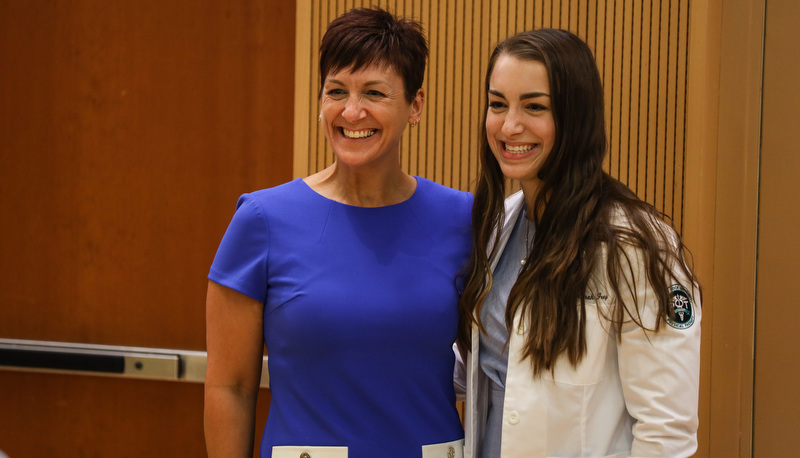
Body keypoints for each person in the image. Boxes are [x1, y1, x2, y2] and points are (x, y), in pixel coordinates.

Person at [204, 7, 471, 458]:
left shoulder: (464, 218)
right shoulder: (262, 219)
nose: (351, 111)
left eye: (374, 92)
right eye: (336, 91)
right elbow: (230, 386)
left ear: (416, 106)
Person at [456, 29, 702, 457]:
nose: (509, 125)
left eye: (534, 106)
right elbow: (488, 371)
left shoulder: (638, 246)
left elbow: (666, 432)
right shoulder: (497, 228)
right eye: (498, 104)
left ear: (576, 116)